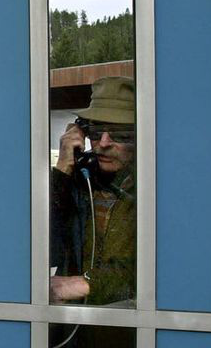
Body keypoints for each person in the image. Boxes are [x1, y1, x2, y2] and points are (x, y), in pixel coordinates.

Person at [50, 76, 136, 307]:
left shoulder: (152, 189)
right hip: (76, 324)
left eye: (118, 134)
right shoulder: (80, 179)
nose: (104, 143)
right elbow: (42, 241)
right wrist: (63, 169)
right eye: (96, 131)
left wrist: (87, 284)